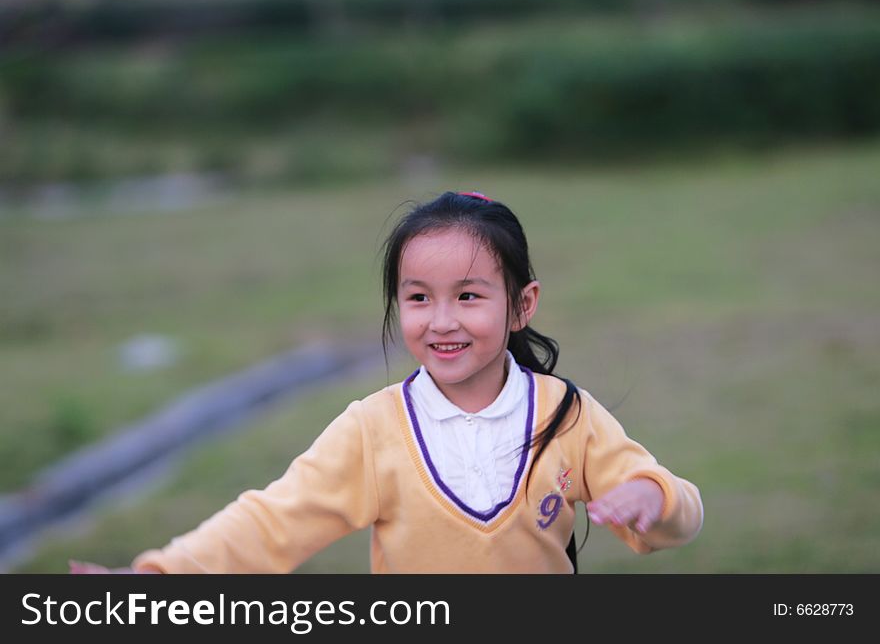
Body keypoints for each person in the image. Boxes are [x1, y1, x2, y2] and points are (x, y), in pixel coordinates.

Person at [70, 190, 703, 574]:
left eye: (470, 295)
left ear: (522, 304)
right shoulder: (373, 430)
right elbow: (271, 522)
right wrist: (158, 574)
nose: (443, 320)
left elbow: (679, 513)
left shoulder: (567, 415)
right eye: (420, 297)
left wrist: (654, 499)